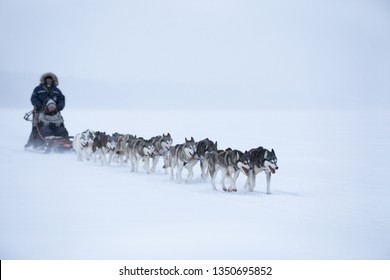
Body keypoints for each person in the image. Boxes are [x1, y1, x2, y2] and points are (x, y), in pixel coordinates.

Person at [25, 72, 69, 148]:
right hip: (40, 112)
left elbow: (62, 99)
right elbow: (33, 99)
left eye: (50, 80)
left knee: (60, 127)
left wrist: (59, 107)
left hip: (55, 112)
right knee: (37, 127)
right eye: (47, 79)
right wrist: (39, 106)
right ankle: (33, 143)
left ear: (53, 80)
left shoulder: (57, 90)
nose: (49, 81)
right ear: (44, 80)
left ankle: (63, 142)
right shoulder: (38, 89)